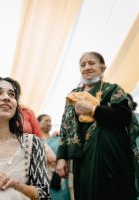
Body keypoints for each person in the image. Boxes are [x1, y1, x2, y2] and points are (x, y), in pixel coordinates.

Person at [56, 52, 136, 200]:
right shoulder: (72, 95)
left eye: (91, 63)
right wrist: (61, 157)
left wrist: (93, 110)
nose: (87, 67)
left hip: (110, 155)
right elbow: (65, 127)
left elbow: (124, 116)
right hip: (82, 156)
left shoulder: (112, 90)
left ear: (102, 68)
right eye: (83, 64)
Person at [38, 114, 71, 200]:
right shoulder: (37, 141)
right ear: (37, 123)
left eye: (50, 121)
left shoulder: (58, 138)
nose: (49, 123)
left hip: (61, 176)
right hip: (46, 178)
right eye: (46, 120)